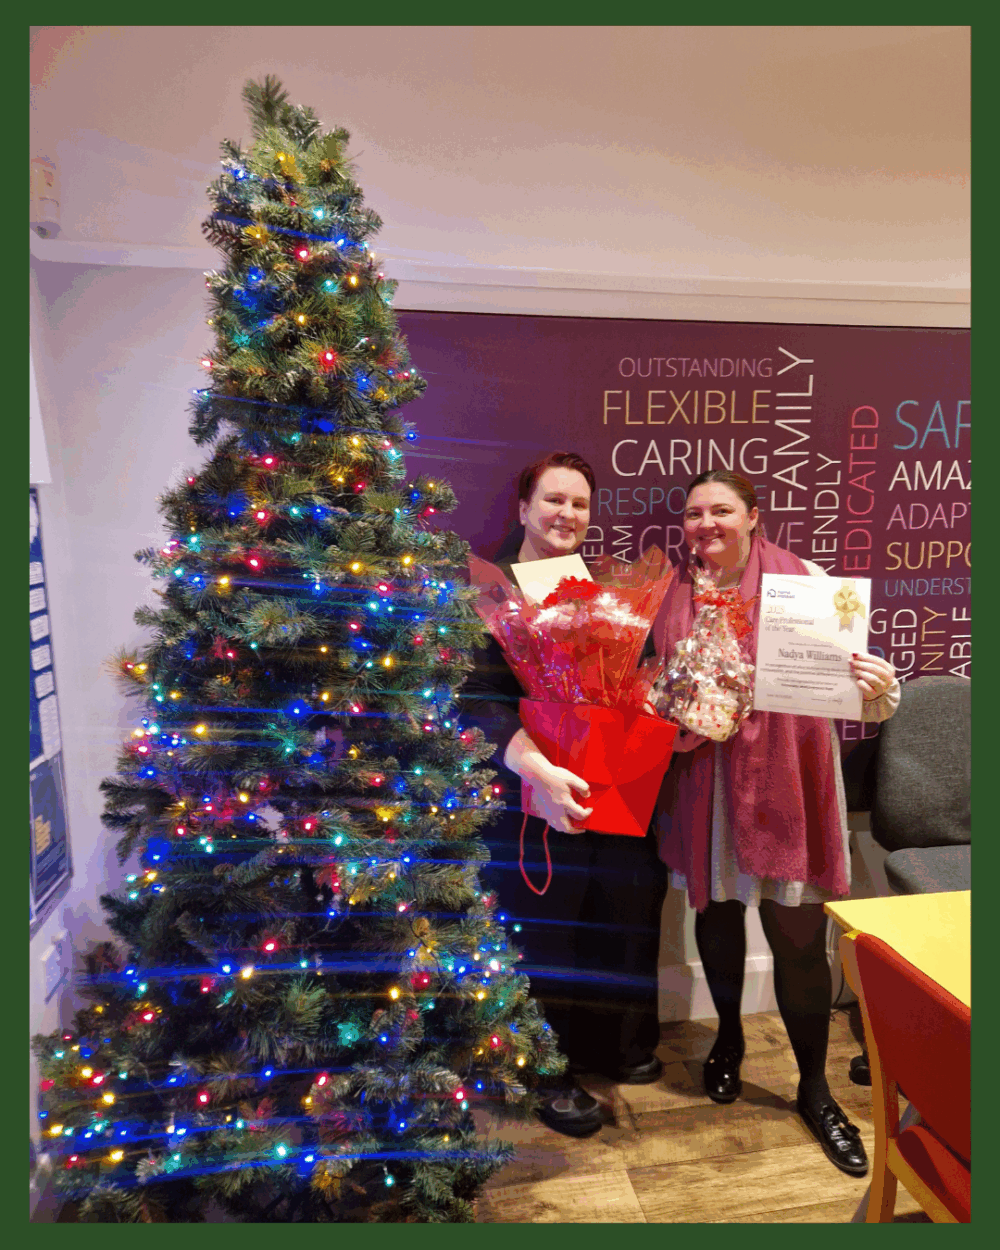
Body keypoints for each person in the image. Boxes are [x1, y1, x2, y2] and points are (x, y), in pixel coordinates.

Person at [653, 469, 899, 1177]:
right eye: (695, 513)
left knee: (797, 941)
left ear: (754, 516)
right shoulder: (667, 595)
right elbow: (651, 688)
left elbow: (859, 692)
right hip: (707, 790)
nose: (707, 523)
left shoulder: (807, 585)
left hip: (788, 787)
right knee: (719, 918)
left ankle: (816, 1087)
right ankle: (728, 1037)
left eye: (722, 510)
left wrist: (881, 692)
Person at [461, 451, 668, 1138]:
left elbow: (630, 683)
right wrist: (538, 770)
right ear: (523, 508)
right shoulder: (487, 596)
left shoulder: (599, 590)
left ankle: (611, 1046)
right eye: (553, 500)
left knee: (620, 909)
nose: (567, 515)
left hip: (605, 789)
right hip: (530, 797)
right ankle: (544, 1073)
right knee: (542, 936)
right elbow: (478, 702)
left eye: (580, 504)